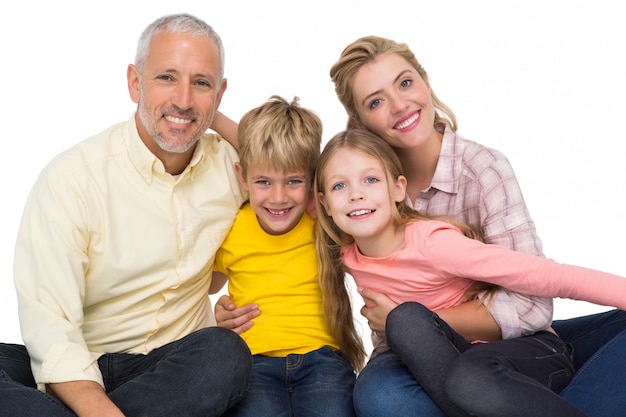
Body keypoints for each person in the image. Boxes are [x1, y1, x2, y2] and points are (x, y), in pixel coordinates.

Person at [328, 35, 626, 417]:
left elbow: (534, 299)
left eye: (405, 83)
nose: (399, 105)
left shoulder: (481, 172)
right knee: (382, 396)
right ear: (359, 122)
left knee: (461, 370)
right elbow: (277, 180)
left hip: (510, 350)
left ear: (425, 80)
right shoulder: (354, 201)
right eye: (376, 101)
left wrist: (407, 322)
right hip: (419, 365)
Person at [0, 13, 252, 417]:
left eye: (201, 83)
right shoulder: (72, 178)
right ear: (135, 82)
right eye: (166, 77)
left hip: (177, 363)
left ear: (220, 95)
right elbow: (50, 323)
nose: (184, 100)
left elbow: (309, 172)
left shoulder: (239, 169)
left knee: (226, 354)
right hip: (82, 363)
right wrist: (96, 406)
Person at [209, 95, 363, 417]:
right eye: (263, 182)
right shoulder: (233, 227)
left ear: (312, 181)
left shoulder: (322, 220)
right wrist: (219, 313)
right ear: (242, 176)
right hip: (253, 363)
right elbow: (208, 289)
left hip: (323, 361)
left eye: (293, 181)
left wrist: (214, 117)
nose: (278, 197)